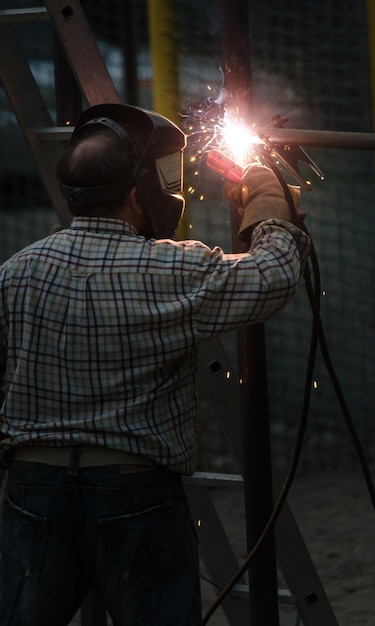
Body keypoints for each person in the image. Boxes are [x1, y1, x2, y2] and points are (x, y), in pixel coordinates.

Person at [0, 103, 310, 626]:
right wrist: (266, 196)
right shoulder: (173, 267)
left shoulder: (16, 270)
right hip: (134, 493)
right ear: (139, 193)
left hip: (34, 491)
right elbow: (274, 274)